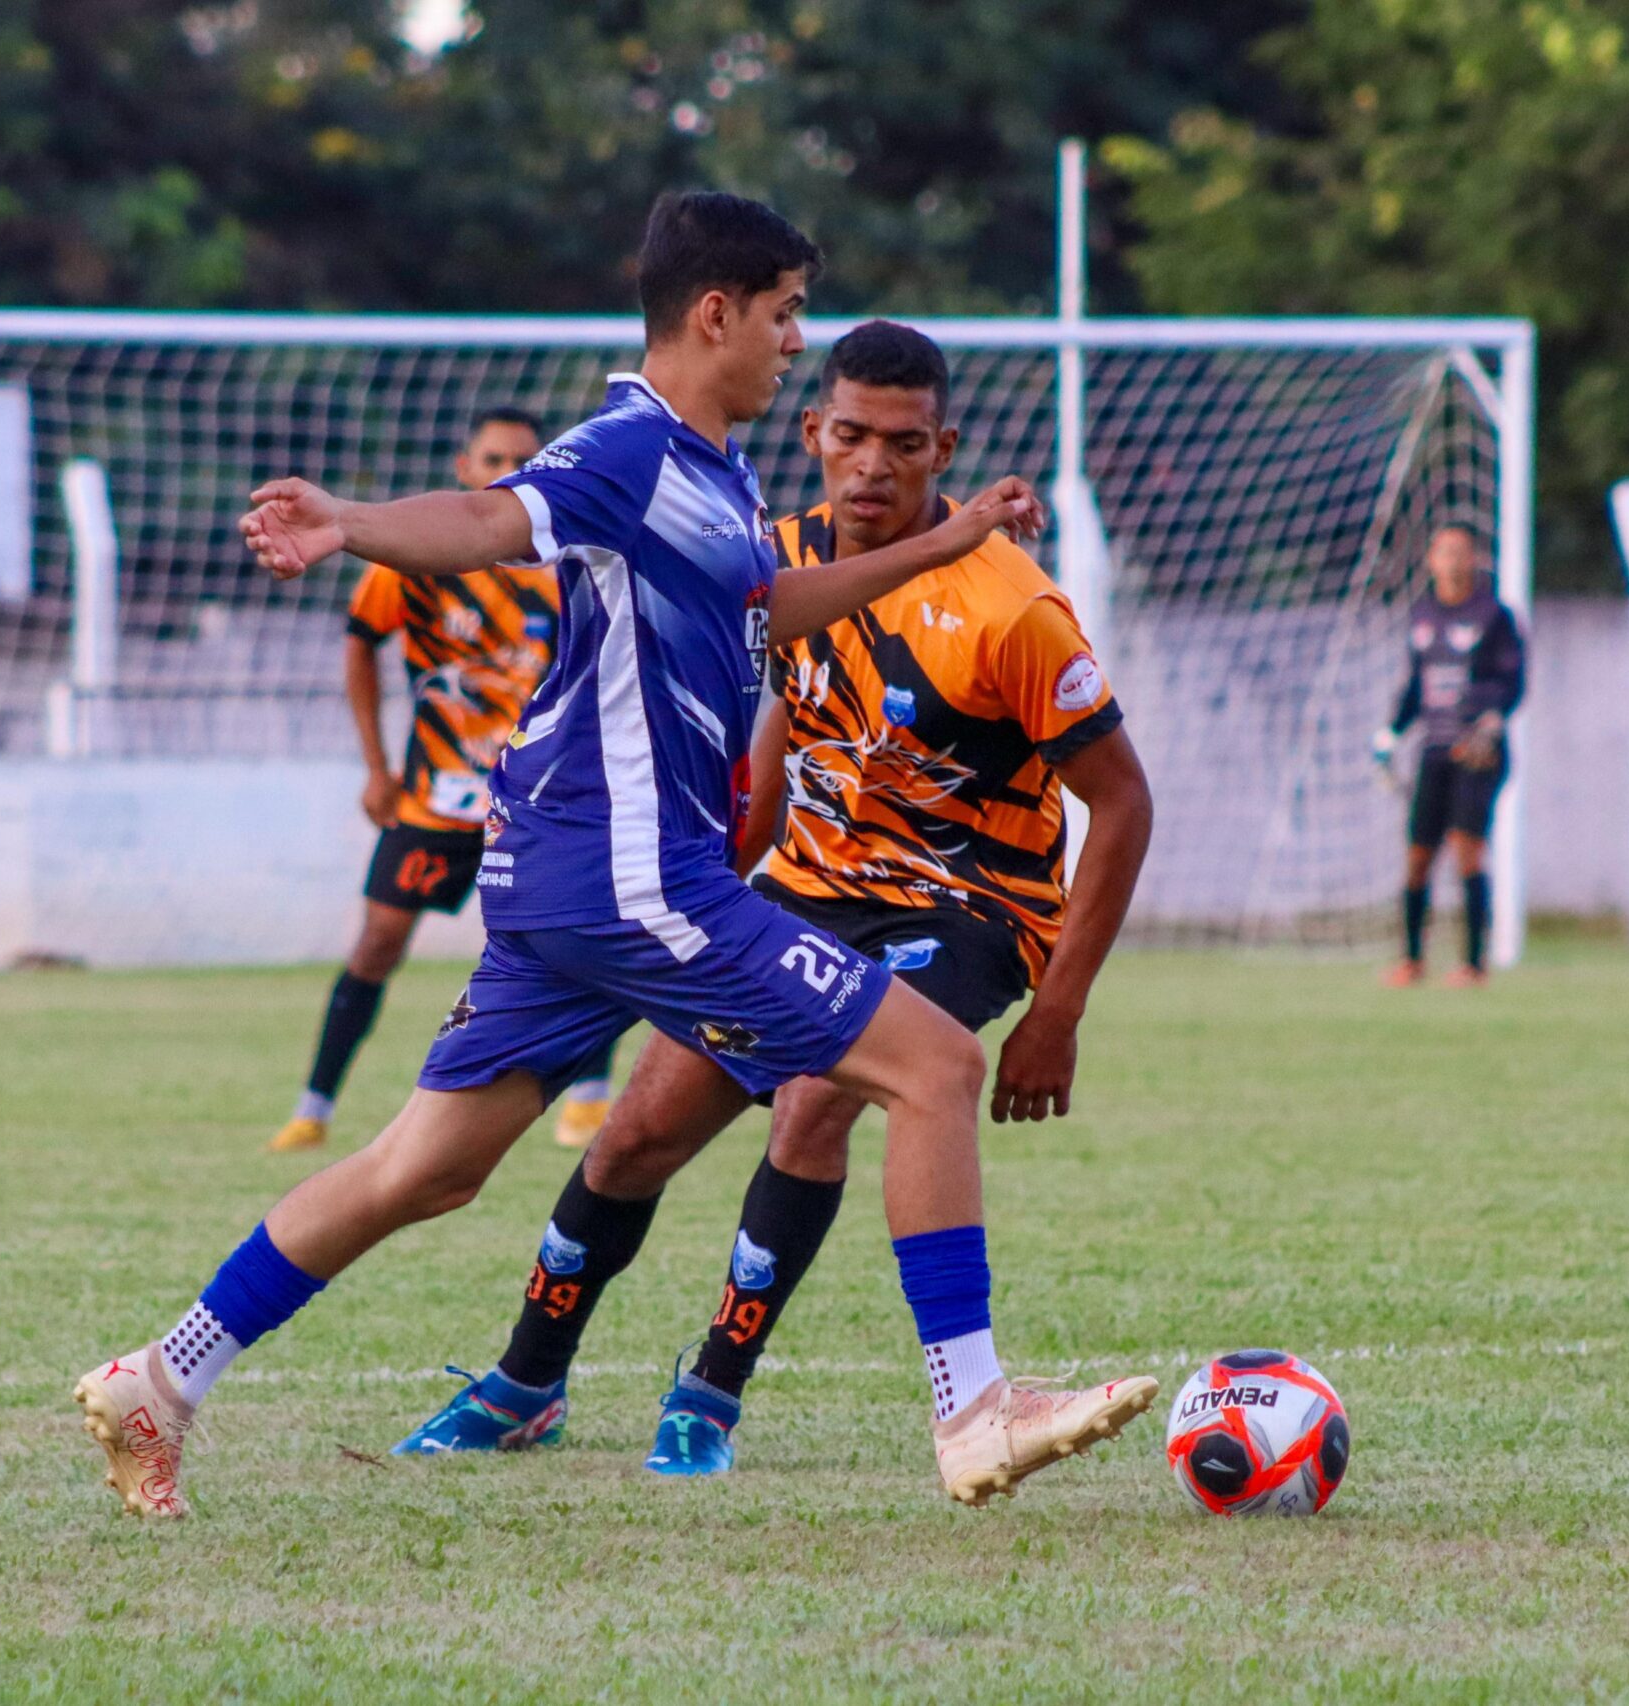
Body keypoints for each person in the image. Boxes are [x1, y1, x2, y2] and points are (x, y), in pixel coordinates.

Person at [69, 193, 1156, 1520]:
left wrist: (942, 542)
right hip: (632, 870)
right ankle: (975, 1407)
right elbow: (488, 522)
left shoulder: (717, 472)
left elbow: (765, 606)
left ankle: (161, 1377)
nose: (793, 342)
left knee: (427, 1165)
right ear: (717, 313)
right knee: (934, 1065)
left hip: (565, 873)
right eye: (784, 315)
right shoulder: (629, 450)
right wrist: (347, 518)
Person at [389, 319, 1155, 1479]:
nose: (872, 465)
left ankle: (708, 1393)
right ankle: (523, 1381)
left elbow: (1123, 799)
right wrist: (690, 900)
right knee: (638, 1130)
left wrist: (1059, 1009)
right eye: (851, 435)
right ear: (811, 431)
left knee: (813, 1100)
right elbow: (786, 735)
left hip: (963, 909)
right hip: (803, 888)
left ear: (943, 449)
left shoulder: (1013, 609)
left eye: (904, 444)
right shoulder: (771, 560)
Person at [270, 407, 616, 1157]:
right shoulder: (417, 557)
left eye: (522, 461)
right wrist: (376, 767)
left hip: (534, 804)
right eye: (493, 460)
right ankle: (312, 1108)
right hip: (435, 799)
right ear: (465, 468)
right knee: (377, 943)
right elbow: (360, 646)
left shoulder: (566, 567)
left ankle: (589, 1101)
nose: (507, 473)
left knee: (580, 937)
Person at [1373, 523, 1527, 986]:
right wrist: (1390, 733)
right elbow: (1415, 685)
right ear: (1431, 561)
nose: (1453, 560)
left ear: (1474, 559)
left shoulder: (1494, 616)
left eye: (1461, 551)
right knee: (1418, 855)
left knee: (1466, 849)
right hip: (1433, 750)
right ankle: (1412, 959)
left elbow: (1512, 681)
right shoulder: (1423, 615)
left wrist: (1491, 720)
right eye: (1444, 552)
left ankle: (1473, 964)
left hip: (1476, 752)